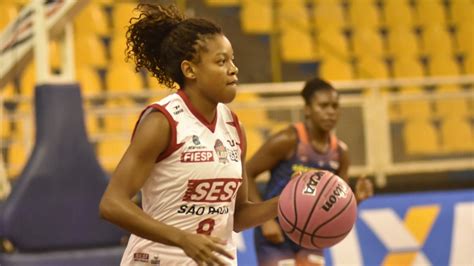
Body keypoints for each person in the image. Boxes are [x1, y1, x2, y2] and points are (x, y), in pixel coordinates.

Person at [99, 4, 279, 265]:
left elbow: (237, 216)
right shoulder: (163, 121)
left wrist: (284, 204)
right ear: (190, 70)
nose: (233, 69)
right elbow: (112, 204)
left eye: (232, 59)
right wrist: (182, 238)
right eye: (221, 61)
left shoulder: (234, 126)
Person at [246, 78, 374, 266]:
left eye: (335, 106)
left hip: (313, 234)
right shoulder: (288, 140)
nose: (330, 112)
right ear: (307, 109)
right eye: (323, 106)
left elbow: (338, 202)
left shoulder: (340, 152)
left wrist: (356, 199)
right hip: (276, 232)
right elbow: (246, 172)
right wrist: (264, 221)